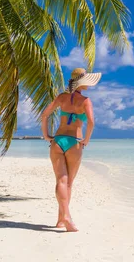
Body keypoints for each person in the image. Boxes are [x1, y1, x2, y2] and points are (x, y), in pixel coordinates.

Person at [41, 68, 99, 232]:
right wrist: (86, 140)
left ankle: (61, 219)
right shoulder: (86, 101)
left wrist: (46, 135)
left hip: (58, 141)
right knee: (69, 183)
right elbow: (92, 122)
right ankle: (67, 216)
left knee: (61, 180)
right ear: (82, 82)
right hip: (74, 142)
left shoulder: (61, 97)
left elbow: (44, 115)